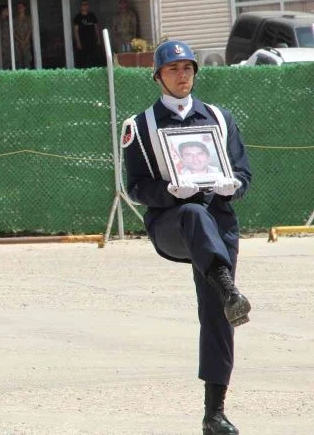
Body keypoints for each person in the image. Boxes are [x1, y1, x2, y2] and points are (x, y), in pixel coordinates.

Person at [122, 40, 252, 434]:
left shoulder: (219, 117)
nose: (183, 75)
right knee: (193, 212)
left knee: (218, 313)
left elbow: (244, 173)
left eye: (188, 68)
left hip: (218, 224)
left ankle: (214, 413)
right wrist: (168, 193)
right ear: (158, 76)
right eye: (173, 68)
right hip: (172, 223)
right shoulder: (139, 125)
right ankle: (227, 285)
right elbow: (136, 187)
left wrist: (233, 186)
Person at [73, 0, 102, 68]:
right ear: (81, 6)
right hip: (83, 41)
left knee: (94, 57)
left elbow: (96, 28)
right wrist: (78, 42)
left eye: (86, 4)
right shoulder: (77, 17)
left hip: (92, 40)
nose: (85, 6)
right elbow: (76, 31)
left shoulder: (92, 15)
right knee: (83, 59)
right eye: (83, 4)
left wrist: (98, 38)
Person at [13, 1, 33, 69]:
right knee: (19, 63)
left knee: (27, 62)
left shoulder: (28, 19)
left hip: (26, 44)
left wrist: (24, 42)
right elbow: (14, 32)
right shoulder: (15, 20)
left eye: (21, 7)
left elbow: (30, 30)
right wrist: (20, 42)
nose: (19, 8)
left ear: (24, 8)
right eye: (18, 7)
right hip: (18, 44)